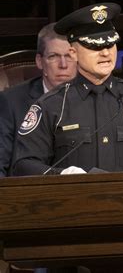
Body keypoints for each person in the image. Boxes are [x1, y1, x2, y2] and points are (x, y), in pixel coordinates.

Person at [12, 3, 123, 176]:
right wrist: (61, 175)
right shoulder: (52, 105)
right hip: (73, 200)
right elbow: (24, 163)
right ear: (73, 53)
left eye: (110, 44)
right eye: (95, 46)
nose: (105, 53)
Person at [0, 23, 78, 177]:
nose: (63, 65)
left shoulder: (94, 98)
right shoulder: (10, 102)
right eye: (53, 56)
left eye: (69, 56)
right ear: (40, 61)